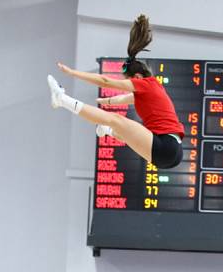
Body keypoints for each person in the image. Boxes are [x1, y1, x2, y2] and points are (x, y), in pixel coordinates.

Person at [47, 15, 185, 170]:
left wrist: (73, 73)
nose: (129, 84)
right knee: (125, 131)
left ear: (138, 77)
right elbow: (125, 99)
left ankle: (62, 99)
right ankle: (108, 130)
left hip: (167, 147)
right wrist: (107, 102)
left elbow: (105, 81)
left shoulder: (146, 84)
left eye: (129, 80)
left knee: (116, 120)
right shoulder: (152, 90)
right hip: (168, 153)